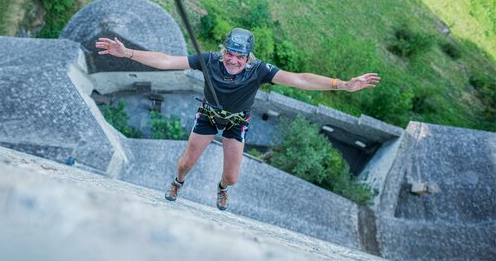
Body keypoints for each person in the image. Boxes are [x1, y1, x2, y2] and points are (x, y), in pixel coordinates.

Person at [96, 28, 380, 211]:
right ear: (224, 51)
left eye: (239, 56)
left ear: (248, 57)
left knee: (232, 177)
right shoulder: (209, 60)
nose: (233, 60)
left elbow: (299, 79)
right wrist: (128, 53)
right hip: (208, 115)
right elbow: (167, 60)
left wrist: (342, 84)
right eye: (229, 54)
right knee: (185, 163)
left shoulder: (259, 70)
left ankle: (221, 189)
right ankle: (178, 182)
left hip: (235, 122)